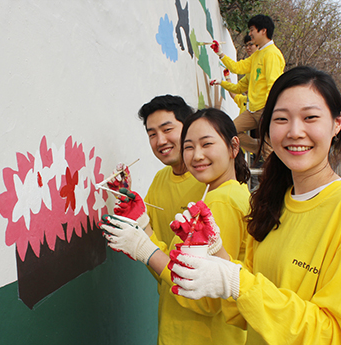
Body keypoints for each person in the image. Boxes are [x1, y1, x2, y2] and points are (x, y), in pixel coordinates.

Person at [168, 66, 341, 344]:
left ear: (336, 123)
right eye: (281, 119)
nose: (294, 132)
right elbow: (249, 309)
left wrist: (235, 281)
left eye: (310, 117)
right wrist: (217, 255)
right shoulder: (270, 203)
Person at [101, 98, 249, 344]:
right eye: (190, 147)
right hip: (179, 326)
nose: (197, 155)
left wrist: (145, 247)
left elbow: (207, 298)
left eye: (206, 144)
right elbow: (167, 260)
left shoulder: (221, 201)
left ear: (233, 146)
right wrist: (143, 225)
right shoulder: (208, 191)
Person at [211, 14, 285, 157]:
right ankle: (260, 148)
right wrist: (220, 54)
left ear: (263, 31)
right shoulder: (257, 55)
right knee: (231, 130)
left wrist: (271, 110)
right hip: (252, 110)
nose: (250, 34)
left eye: (252, 30)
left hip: (265, 109)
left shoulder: (272, 54)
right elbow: (237, 68)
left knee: (269, 152)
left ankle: (279, 176)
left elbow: (273, 85)